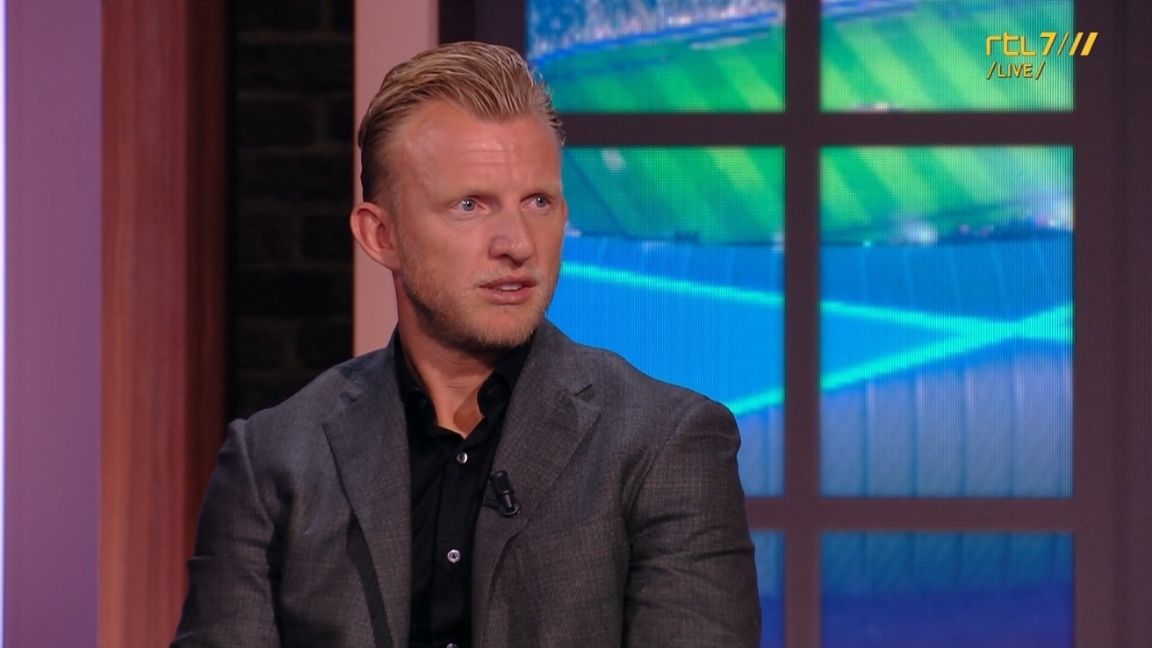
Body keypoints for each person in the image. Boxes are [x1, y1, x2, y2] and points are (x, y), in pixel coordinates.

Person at [173, 41, 760, 647]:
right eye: (470, 205)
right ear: (381, 235)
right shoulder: (272, 463)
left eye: (538, 202)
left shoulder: (664, 444)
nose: (517, 244)